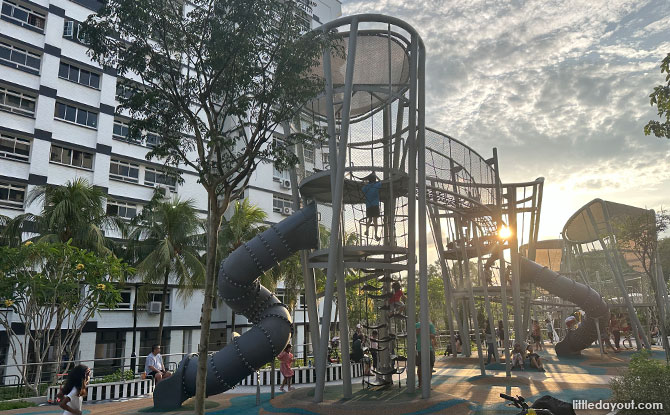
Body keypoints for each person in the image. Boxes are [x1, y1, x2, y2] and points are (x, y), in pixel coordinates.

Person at [415, 320, 437, 388]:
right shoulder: (416, 325)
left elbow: (433, 336)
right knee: (420, 367)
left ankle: (428, 384)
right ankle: (420, 383)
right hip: (419, 349)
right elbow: (412, 334)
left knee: (430, 366)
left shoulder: (430, 325)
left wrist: (426, 333)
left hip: (429, 349)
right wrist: (418, 331)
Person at [361, 173, 382, 241]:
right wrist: (377, 177)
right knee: (375, 220)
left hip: (369, 206)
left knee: (370, 220)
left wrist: (366, 183)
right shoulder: (376, 185)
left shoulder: (366, 187)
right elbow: (381, 182)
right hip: (375, 205)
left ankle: (367, 230)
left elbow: (362, 189)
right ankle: (375, 235)